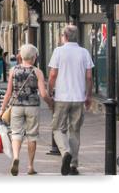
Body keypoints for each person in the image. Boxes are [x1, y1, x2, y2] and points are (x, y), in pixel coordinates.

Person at [0, 44, 53, 176]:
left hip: (16, 106)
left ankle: (16, 157)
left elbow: (8, 93)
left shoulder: (13, 70)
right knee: (32, 136)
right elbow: (44, 94)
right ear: (34, 58)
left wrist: (2, 109)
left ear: (21, 56)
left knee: (16, 133)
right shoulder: (37, 72)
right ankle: (30, 166)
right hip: (32, 107)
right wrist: (51, 104)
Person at [48, 25, 94, 176]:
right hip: (79, 98)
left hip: (62, 97)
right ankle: (73, 165)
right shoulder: (84, 52)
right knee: (75, 131)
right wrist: (88, 95)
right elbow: (88, 77)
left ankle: (66, 152)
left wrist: (49, 90)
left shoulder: (58, 51)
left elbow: (53, 74)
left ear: (65, 36)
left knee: (57, 129)